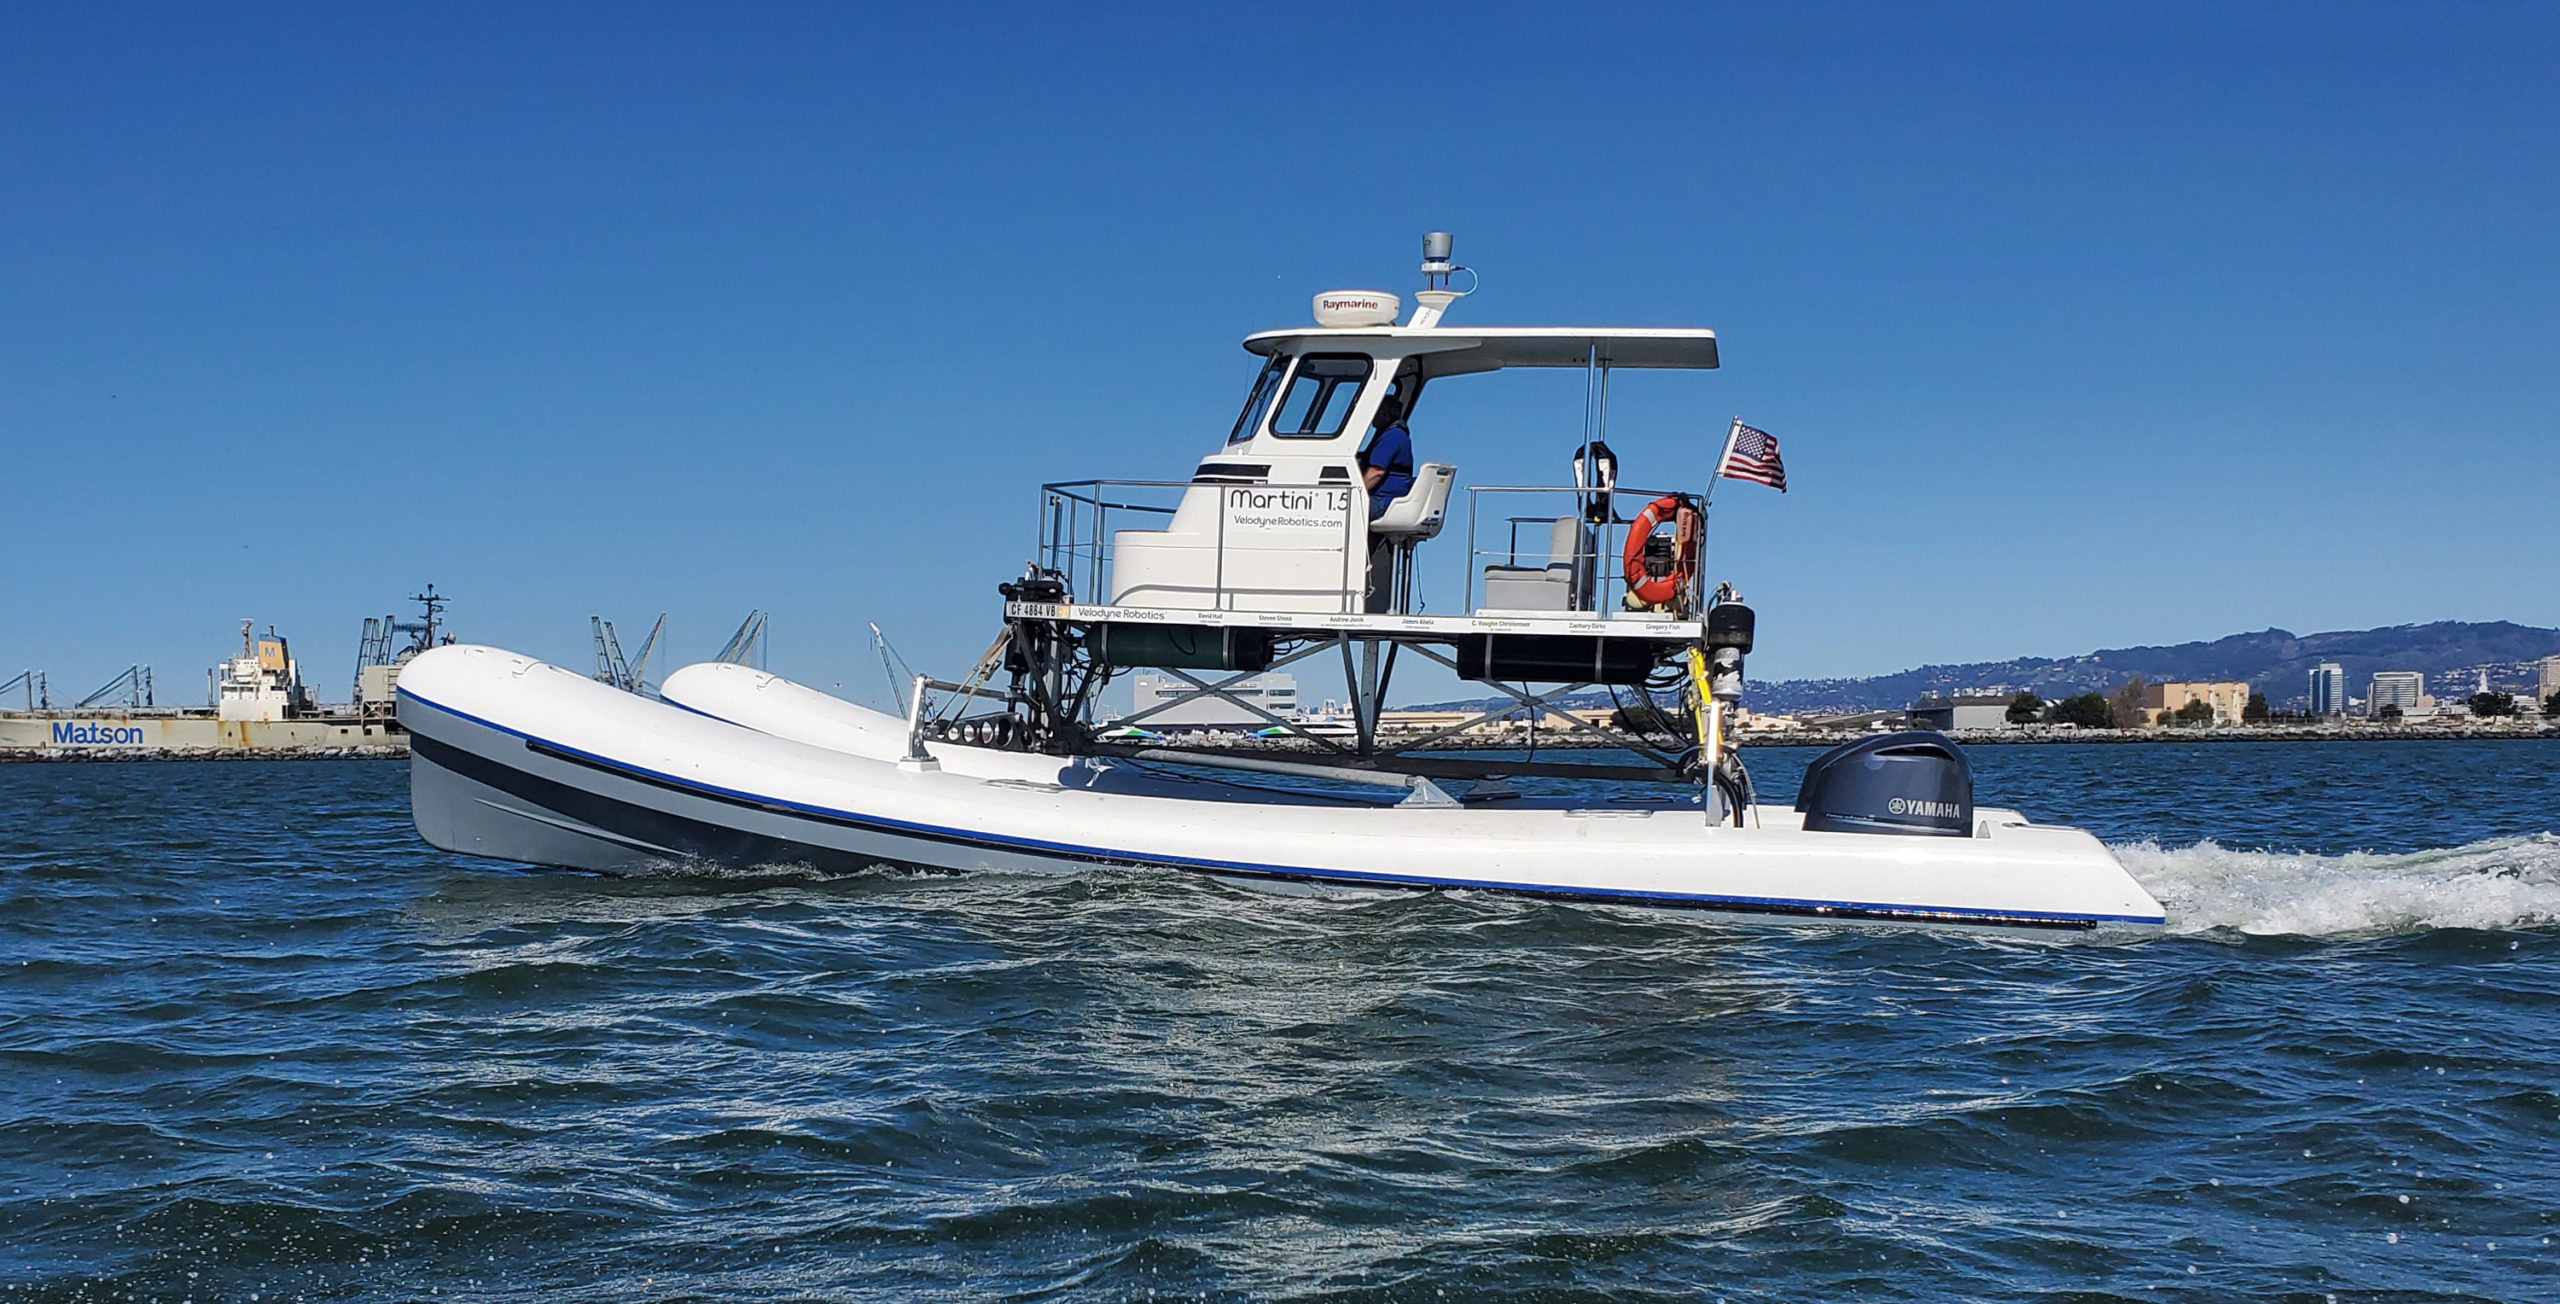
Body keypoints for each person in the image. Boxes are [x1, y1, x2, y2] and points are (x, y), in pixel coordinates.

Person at [1358, 399, 1415, 520]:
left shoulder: (1391, 436)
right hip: (1389, 500)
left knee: (1334, 511)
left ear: (1384, 414)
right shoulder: (1398, 435)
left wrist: (1353, 494)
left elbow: (1376, 472)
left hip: (1382, 503)